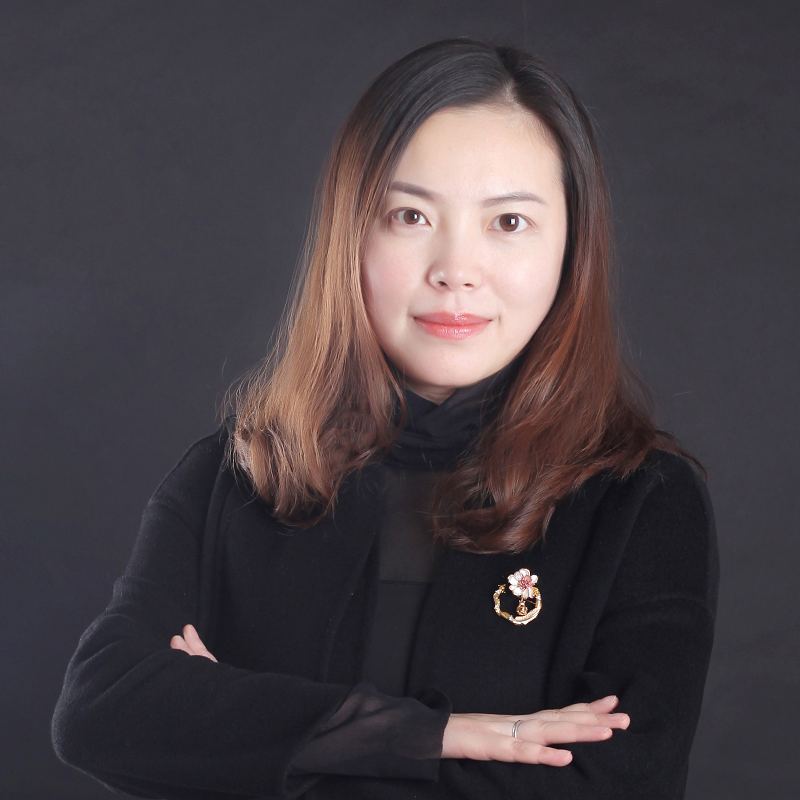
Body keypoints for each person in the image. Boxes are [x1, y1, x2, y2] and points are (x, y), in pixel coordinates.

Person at [51, 38, 718, 800]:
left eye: (508, 222)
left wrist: (248, 738)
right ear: (351, 235)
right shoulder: (233, 477)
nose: (455, 270)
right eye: (409, 215)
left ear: (573, 245)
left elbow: (617, 785)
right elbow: (98, 714)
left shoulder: (644, 503)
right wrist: (433, 736)